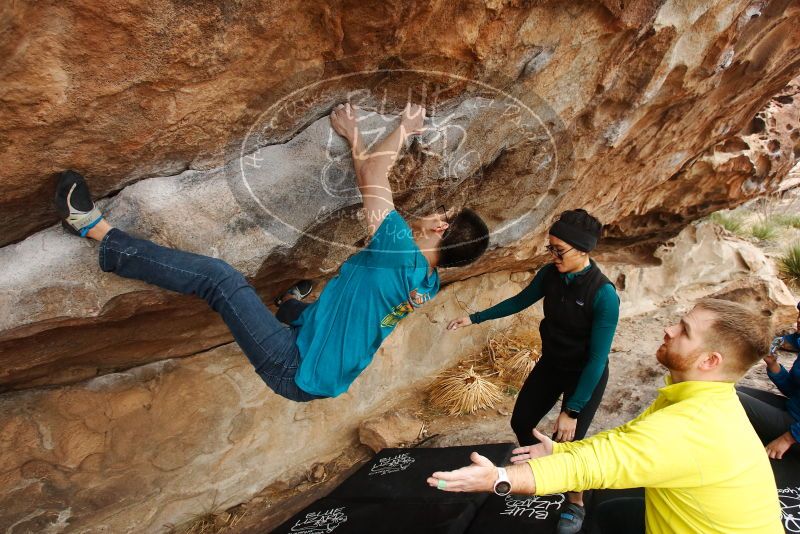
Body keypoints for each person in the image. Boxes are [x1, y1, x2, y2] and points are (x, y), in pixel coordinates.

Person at [53, 102, 489, 402]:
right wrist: (353, 134)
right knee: (310, 303)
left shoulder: (397, 249)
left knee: (220, 279)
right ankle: (288, 305)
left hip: (292, 366)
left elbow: (375, 171)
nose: (433, 209)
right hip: (322, 372)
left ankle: (99, 235)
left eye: (441, 211)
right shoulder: (426, 280)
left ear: (440, 227)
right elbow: (366, 183)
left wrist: (404, 128)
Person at [428, 298, 783, 534]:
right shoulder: (699, 399)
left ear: (709, 361)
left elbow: (595, 466)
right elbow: (623, 439)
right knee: (610, 514)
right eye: (678, 322)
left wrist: (500, 477)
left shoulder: (692, 426)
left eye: (684, 331)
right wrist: (561, 451)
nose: (669, 329)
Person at [446, 208, 619, 534]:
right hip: (552, 363)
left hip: (585, 374)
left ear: (582, 250)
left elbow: (597, 359)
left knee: (569, 443)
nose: (553, 255)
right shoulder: (550, 274)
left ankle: (576, 501)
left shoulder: (603, 294)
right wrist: (475, 318)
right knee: (521, 421)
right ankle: (546, 469)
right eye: (550, 247)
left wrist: (572, 409)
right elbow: (520, 300)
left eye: (559, 249)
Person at [737, 300, 800, 460]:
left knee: (731, 399)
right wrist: (773, 365)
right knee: (732, 392)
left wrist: (788, 439)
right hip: (793, 410)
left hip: (795, 429)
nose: (798, 321)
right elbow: (793, 391)